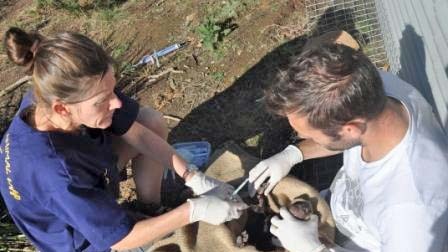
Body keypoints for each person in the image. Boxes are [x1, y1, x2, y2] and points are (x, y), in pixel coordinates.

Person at [0, 27, 247, 252]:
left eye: (112, 89)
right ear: (62, 109)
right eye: (102, 100)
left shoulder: (56, 89)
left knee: (149, 121)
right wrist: (194, 210)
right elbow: (119, 239)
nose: (116, 102)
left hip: (86, 172)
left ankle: (148, 210)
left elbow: (138, 133)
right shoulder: (55, 173)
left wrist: (192, 176)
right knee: (127, 241)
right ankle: (139, 226)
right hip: (78, 236)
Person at [248, 43, 448, 252]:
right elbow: (338, 140)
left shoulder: (411, 211)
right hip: (346, 208)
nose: (301, 137)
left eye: (308, 134)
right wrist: (293, 154)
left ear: (351, 129)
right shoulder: (371, 87)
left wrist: (314, 249)